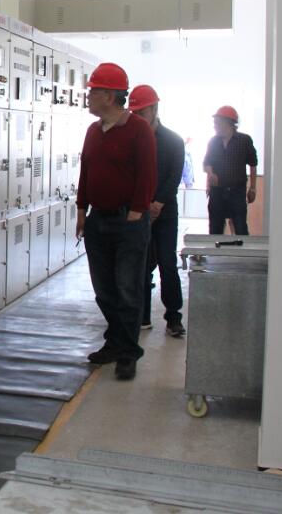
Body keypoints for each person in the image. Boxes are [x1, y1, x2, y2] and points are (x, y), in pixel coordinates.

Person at [76, 63, 156, 381]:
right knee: (104, 289)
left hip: (128, 222)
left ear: (109, 96)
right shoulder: (93, 131)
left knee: (127, 288)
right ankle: (116, 342)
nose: (88, 97)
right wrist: (81, 210)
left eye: (93, 91)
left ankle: (126, 352)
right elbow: (86, 171)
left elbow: (147, 174)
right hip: (98, 220)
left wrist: (136, 212)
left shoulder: (139, 129)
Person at [128, 85, 186, 338]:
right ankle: (142, 316)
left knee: (167, 263)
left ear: (154, 109)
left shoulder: (173, 141)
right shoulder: (131, 139)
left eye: (141, 112)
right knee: (141, 265)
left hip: (165, 211)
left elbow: (174, 176)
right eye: (134, 113)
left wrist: (159, 203)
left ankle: (173, 317)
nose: (138, 117)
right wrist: (141, 205)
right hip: (139, 211)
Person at [203, 105, 258, 235]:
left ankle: (243, 249)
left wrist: (253, 188)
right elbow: (207, 163)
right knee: (215, 230)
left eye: (217, 123)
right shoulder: (213, 142)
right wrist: (210, 174)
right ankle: (216, 249)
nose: (215, 126)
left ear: (228, 123)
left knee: (240, 228)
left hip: (237, 193)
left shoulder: (244, 141)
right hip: (217, 192)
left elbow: (253, 164)